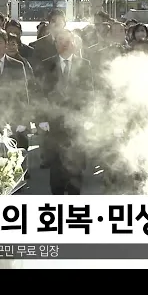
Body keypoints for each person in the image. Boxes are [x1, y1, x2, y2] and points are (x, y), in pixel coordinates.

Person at [37, 29, 95, 195]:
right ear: (55, 44)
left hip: (76, 122)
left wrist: (87, 117)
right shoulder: (46, 64)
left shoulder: (84, 64)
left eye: (67, 41)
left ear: (74, 43)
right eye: (60, 41)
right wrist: (42, 118)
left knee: (75, 166)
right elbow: (40, 93)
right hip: (54, 122)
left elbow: (89, 93)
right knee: (56, 166)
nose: (64, 44)